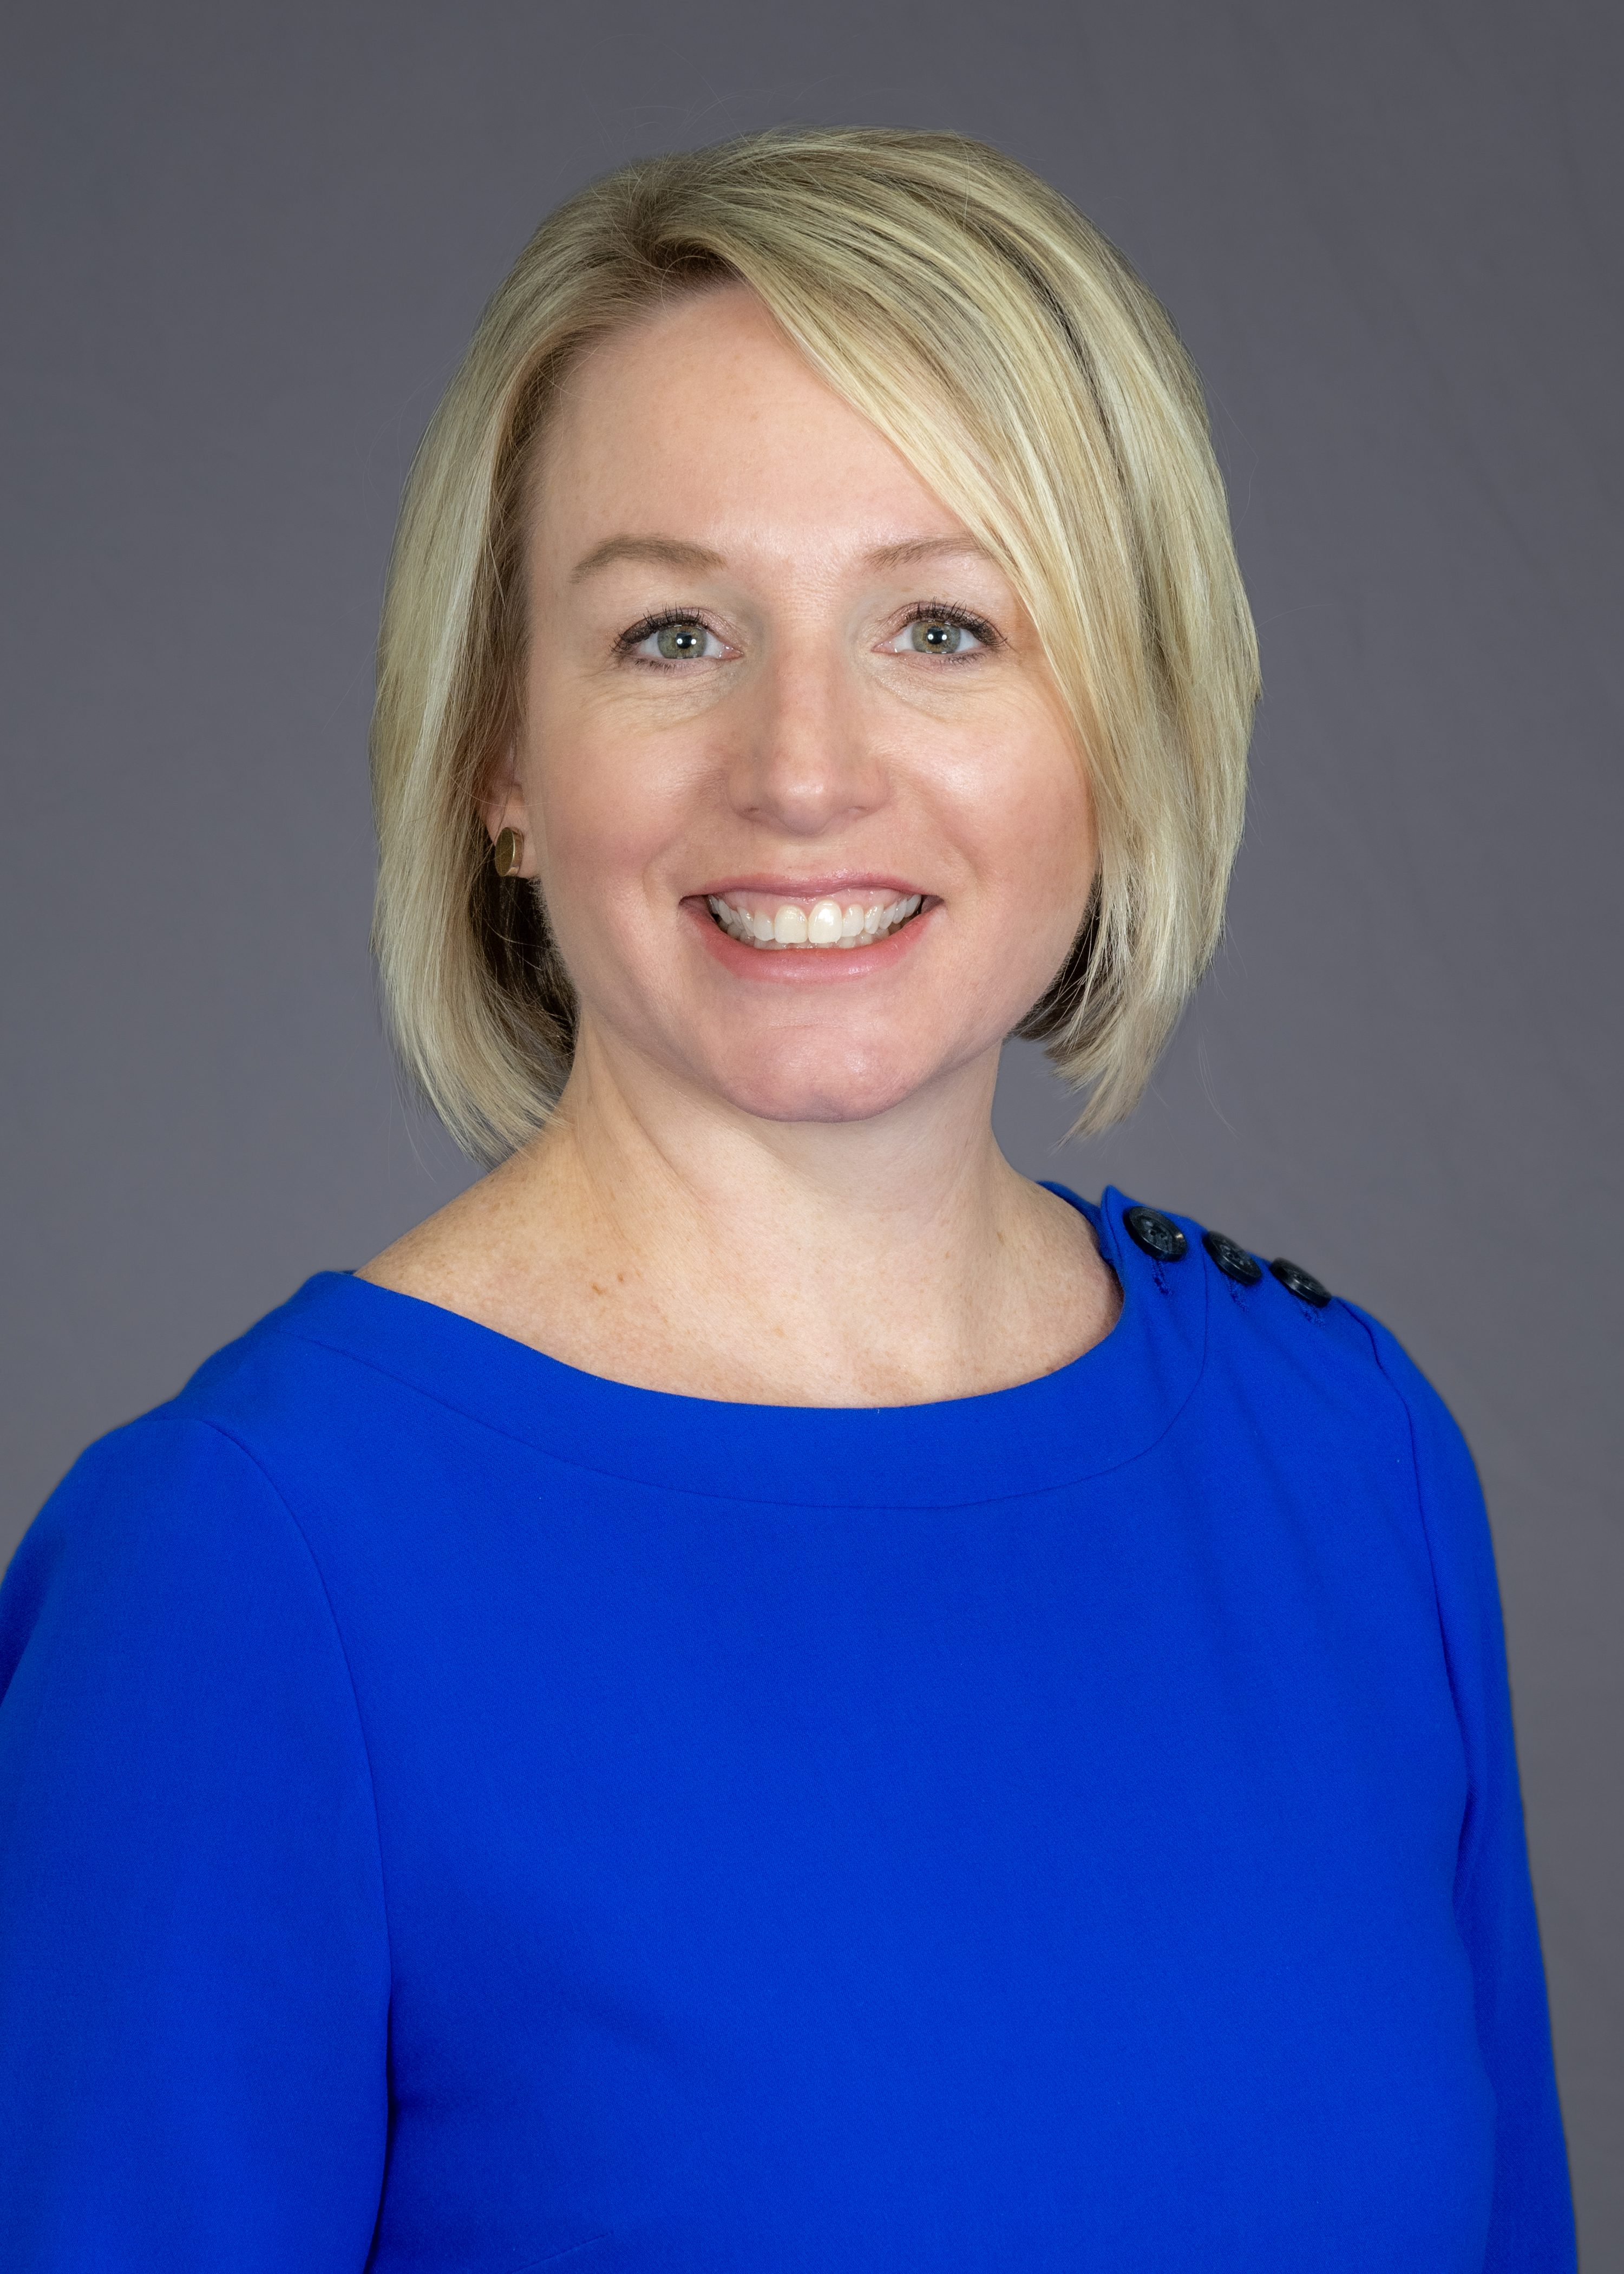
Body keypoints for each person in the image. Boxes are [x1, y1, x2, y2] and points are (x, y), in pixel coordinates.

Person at [0, 128, 1574, 2271]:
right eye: (671, 635)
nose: (804, 767)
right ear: (500, 759)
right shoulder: (249, 1567)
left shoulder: (1348, 1460)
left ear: (1123, 722)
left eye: (944, 624)